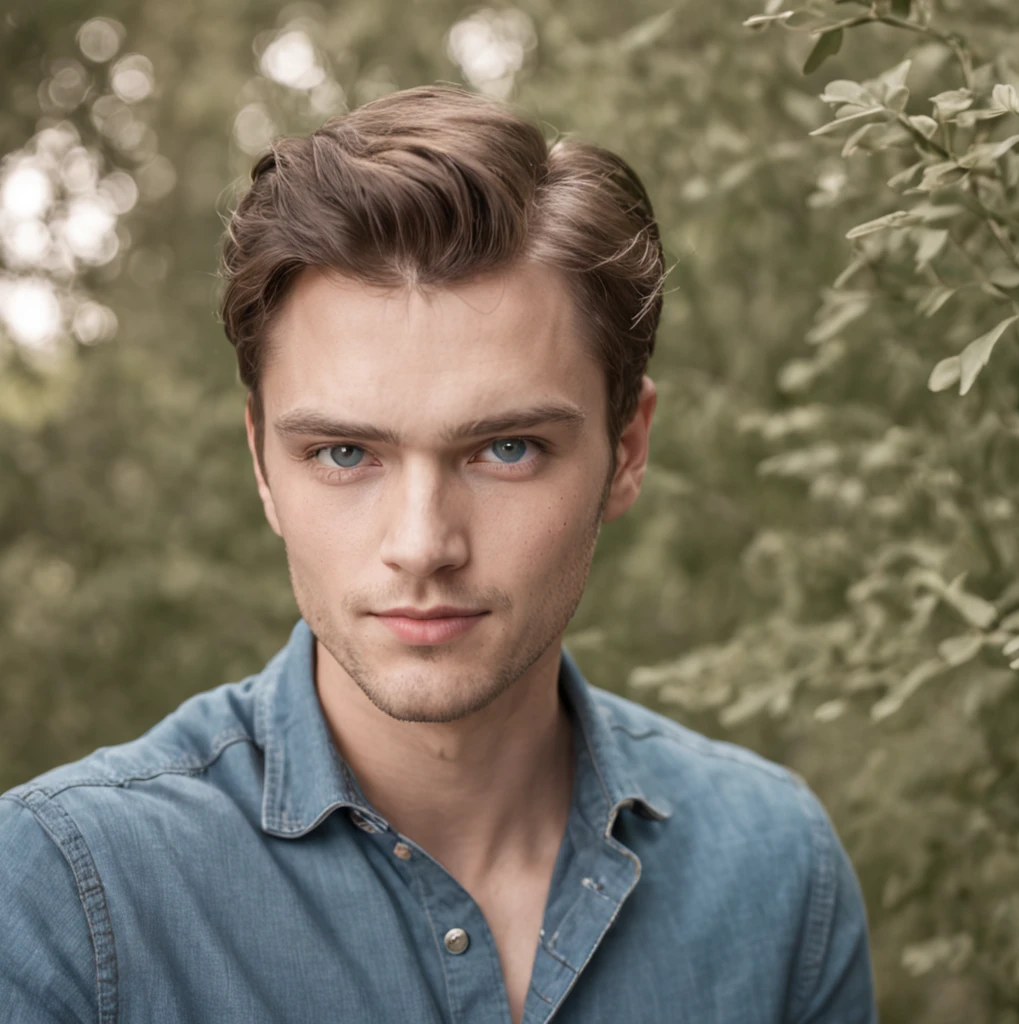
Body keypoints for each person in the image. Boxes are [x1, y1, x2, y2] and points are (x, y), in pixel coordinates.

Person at [0, 84, 877, 1024]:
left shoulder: (778, 874)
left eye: (507, 449)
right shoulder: (65, 894)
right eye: (345, 454)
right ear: (261, 463)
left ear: (627, 450)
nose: (422, 545)